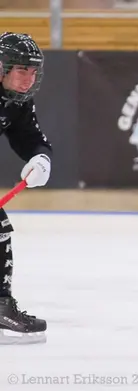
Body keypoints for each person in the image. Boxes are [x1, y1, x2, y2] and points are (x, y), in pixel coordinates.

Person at [0, 32, 52, 344]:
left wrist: (41, 158)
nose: (27, 81)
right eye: (22, 71)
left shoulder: (16, 101)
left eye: (32, 73)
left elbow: (30, 137)